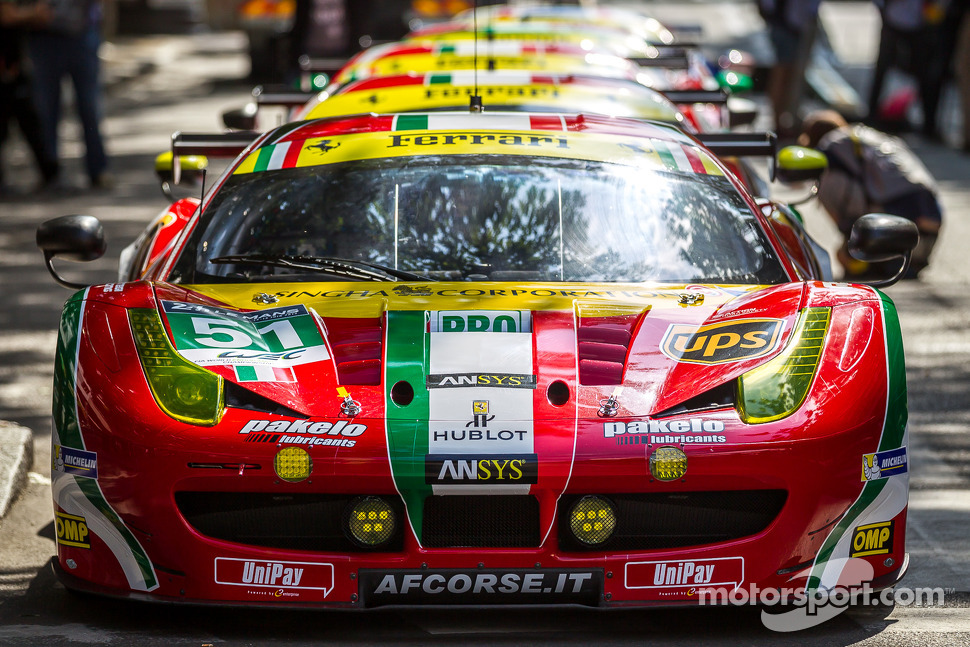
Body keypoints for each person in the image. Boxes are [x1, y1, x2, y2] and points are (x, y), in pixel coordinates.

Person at [798, 110, 942, 278]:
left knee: (843, 255)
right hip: (930, 208)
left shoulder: (829, 149)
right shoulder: (866, 135)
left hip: (895, 214)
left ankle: (878, 262)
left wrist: (848, 238)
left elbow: (837, 213)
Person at [27, 0, 110, 190]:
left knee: (89, 106)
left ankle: (97, 169)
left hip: (81, 33)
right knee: (46, 108)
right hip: (43, 36)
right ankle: (50, 172)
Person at [0, 0, 58, 194]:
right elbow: (7, 15)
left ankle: (50, 174)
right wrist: (33, 12)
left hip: (16, 66)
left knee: (31, 122)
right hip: (6, 68)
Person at [866, 0, 947, 138]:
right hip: (893, 20)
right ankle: (872, 115)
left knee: (924, 74)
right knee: (882, 69)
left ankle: (929, 124)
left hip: (920, 24)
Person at [757, 0, 822, 139]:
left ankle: (782, 119)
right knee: (783, 73)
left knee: (789, 74)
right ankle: (778, 121)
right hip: (786, 21)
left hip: (789, 19)